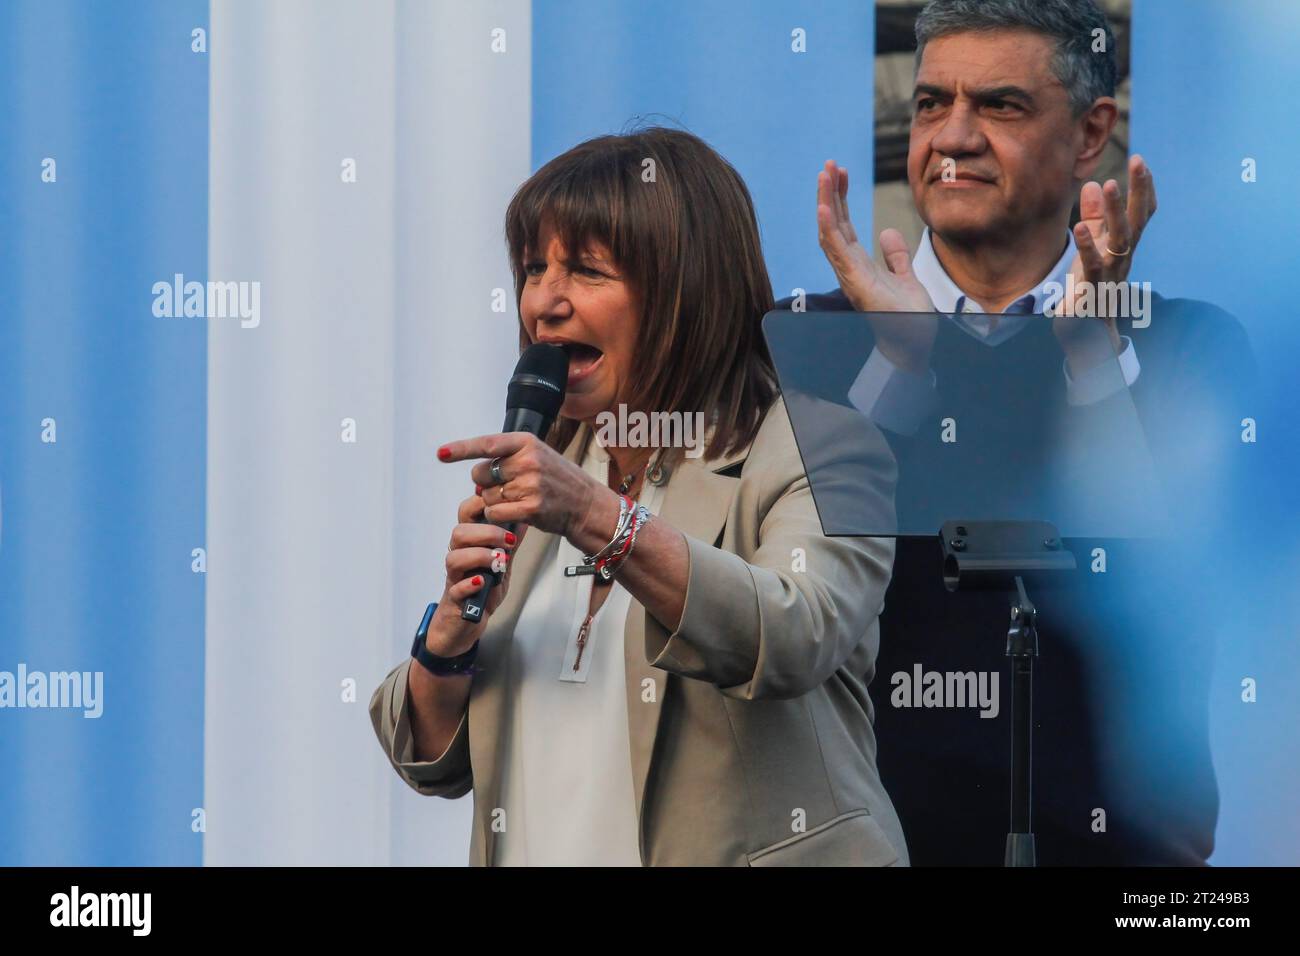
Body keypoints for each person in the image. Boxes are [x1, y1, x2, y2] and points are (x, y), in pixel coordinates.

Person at [779, 0, 1254, 864]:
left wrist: (1092, 358)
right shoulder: (806, 339)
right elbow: (791, 591)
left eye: (998, 105)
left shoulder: (1191, 346)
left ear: (1089, 134)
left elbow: (1175, 601)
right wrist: (899, 368)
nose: (951, 138)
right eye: (930, 104)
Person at [370, 127, 907, 866]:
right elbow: (428, 757)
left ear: (688, 288)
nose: (545, 303)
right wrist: (453, 635)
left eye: (587, 270)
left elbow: (793, 632)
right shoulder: (548, 469)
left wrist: (597, 516)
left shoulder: (818, 444)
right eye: (534, 268)